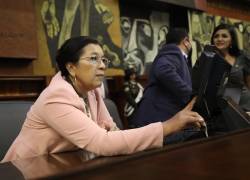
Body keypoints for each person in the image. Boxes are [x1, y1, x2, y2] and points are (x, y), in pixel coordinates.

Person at [1, 36, 204, 162]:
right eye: (93, 59)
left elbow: (113, 132)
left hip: (67, 163)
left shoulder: (92, 90)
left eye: (103, 59)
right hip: (24, 170)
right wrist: (168, 126)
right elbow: (102, 142)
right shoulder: (56, 97)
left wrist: (111, 133)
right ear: (71, 67)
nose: (102, 65)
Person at [132, 28, 195, 144]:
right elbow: (163, 70)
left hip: (156, 117)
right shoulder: (174, 52)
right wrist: (190, 94)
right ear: (186, 41)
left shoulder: (171, 53)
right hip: (156, 117)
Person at [192, 23, 250, 134]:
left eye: (224, 36)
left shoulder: (242, 58)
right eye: (216, 36)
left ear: (231, 40)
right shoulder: (207, 59)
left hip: (245, 107)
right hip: (220, 112)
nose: (219, 39)